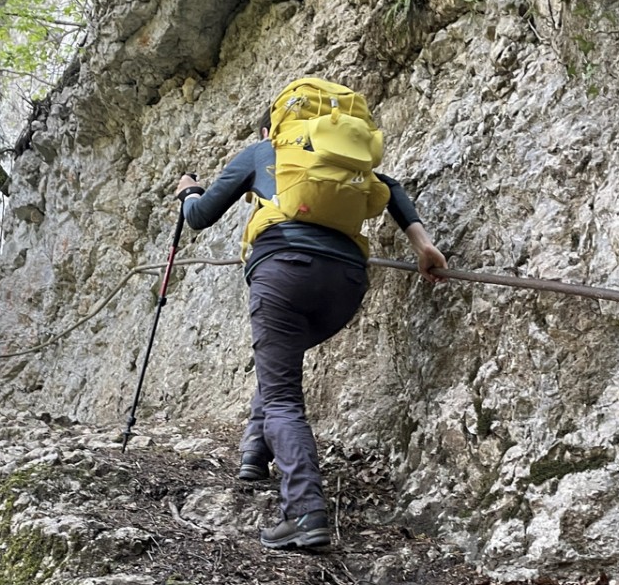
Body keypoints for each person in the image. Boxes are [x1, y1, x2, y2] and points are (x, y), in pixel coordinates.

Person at [174, 89, 447, 552]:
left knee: (281, 395)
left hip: (284, 272)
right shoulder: (348, 163)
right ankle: (254, 454)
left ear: (271, 129)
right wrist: (422, 245)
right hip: (344, 284)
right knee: (279, 365)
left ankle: (304, 513)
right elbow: (393, 188)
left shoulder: (265, 151)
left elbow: (200, 217)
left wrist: (187, 192)